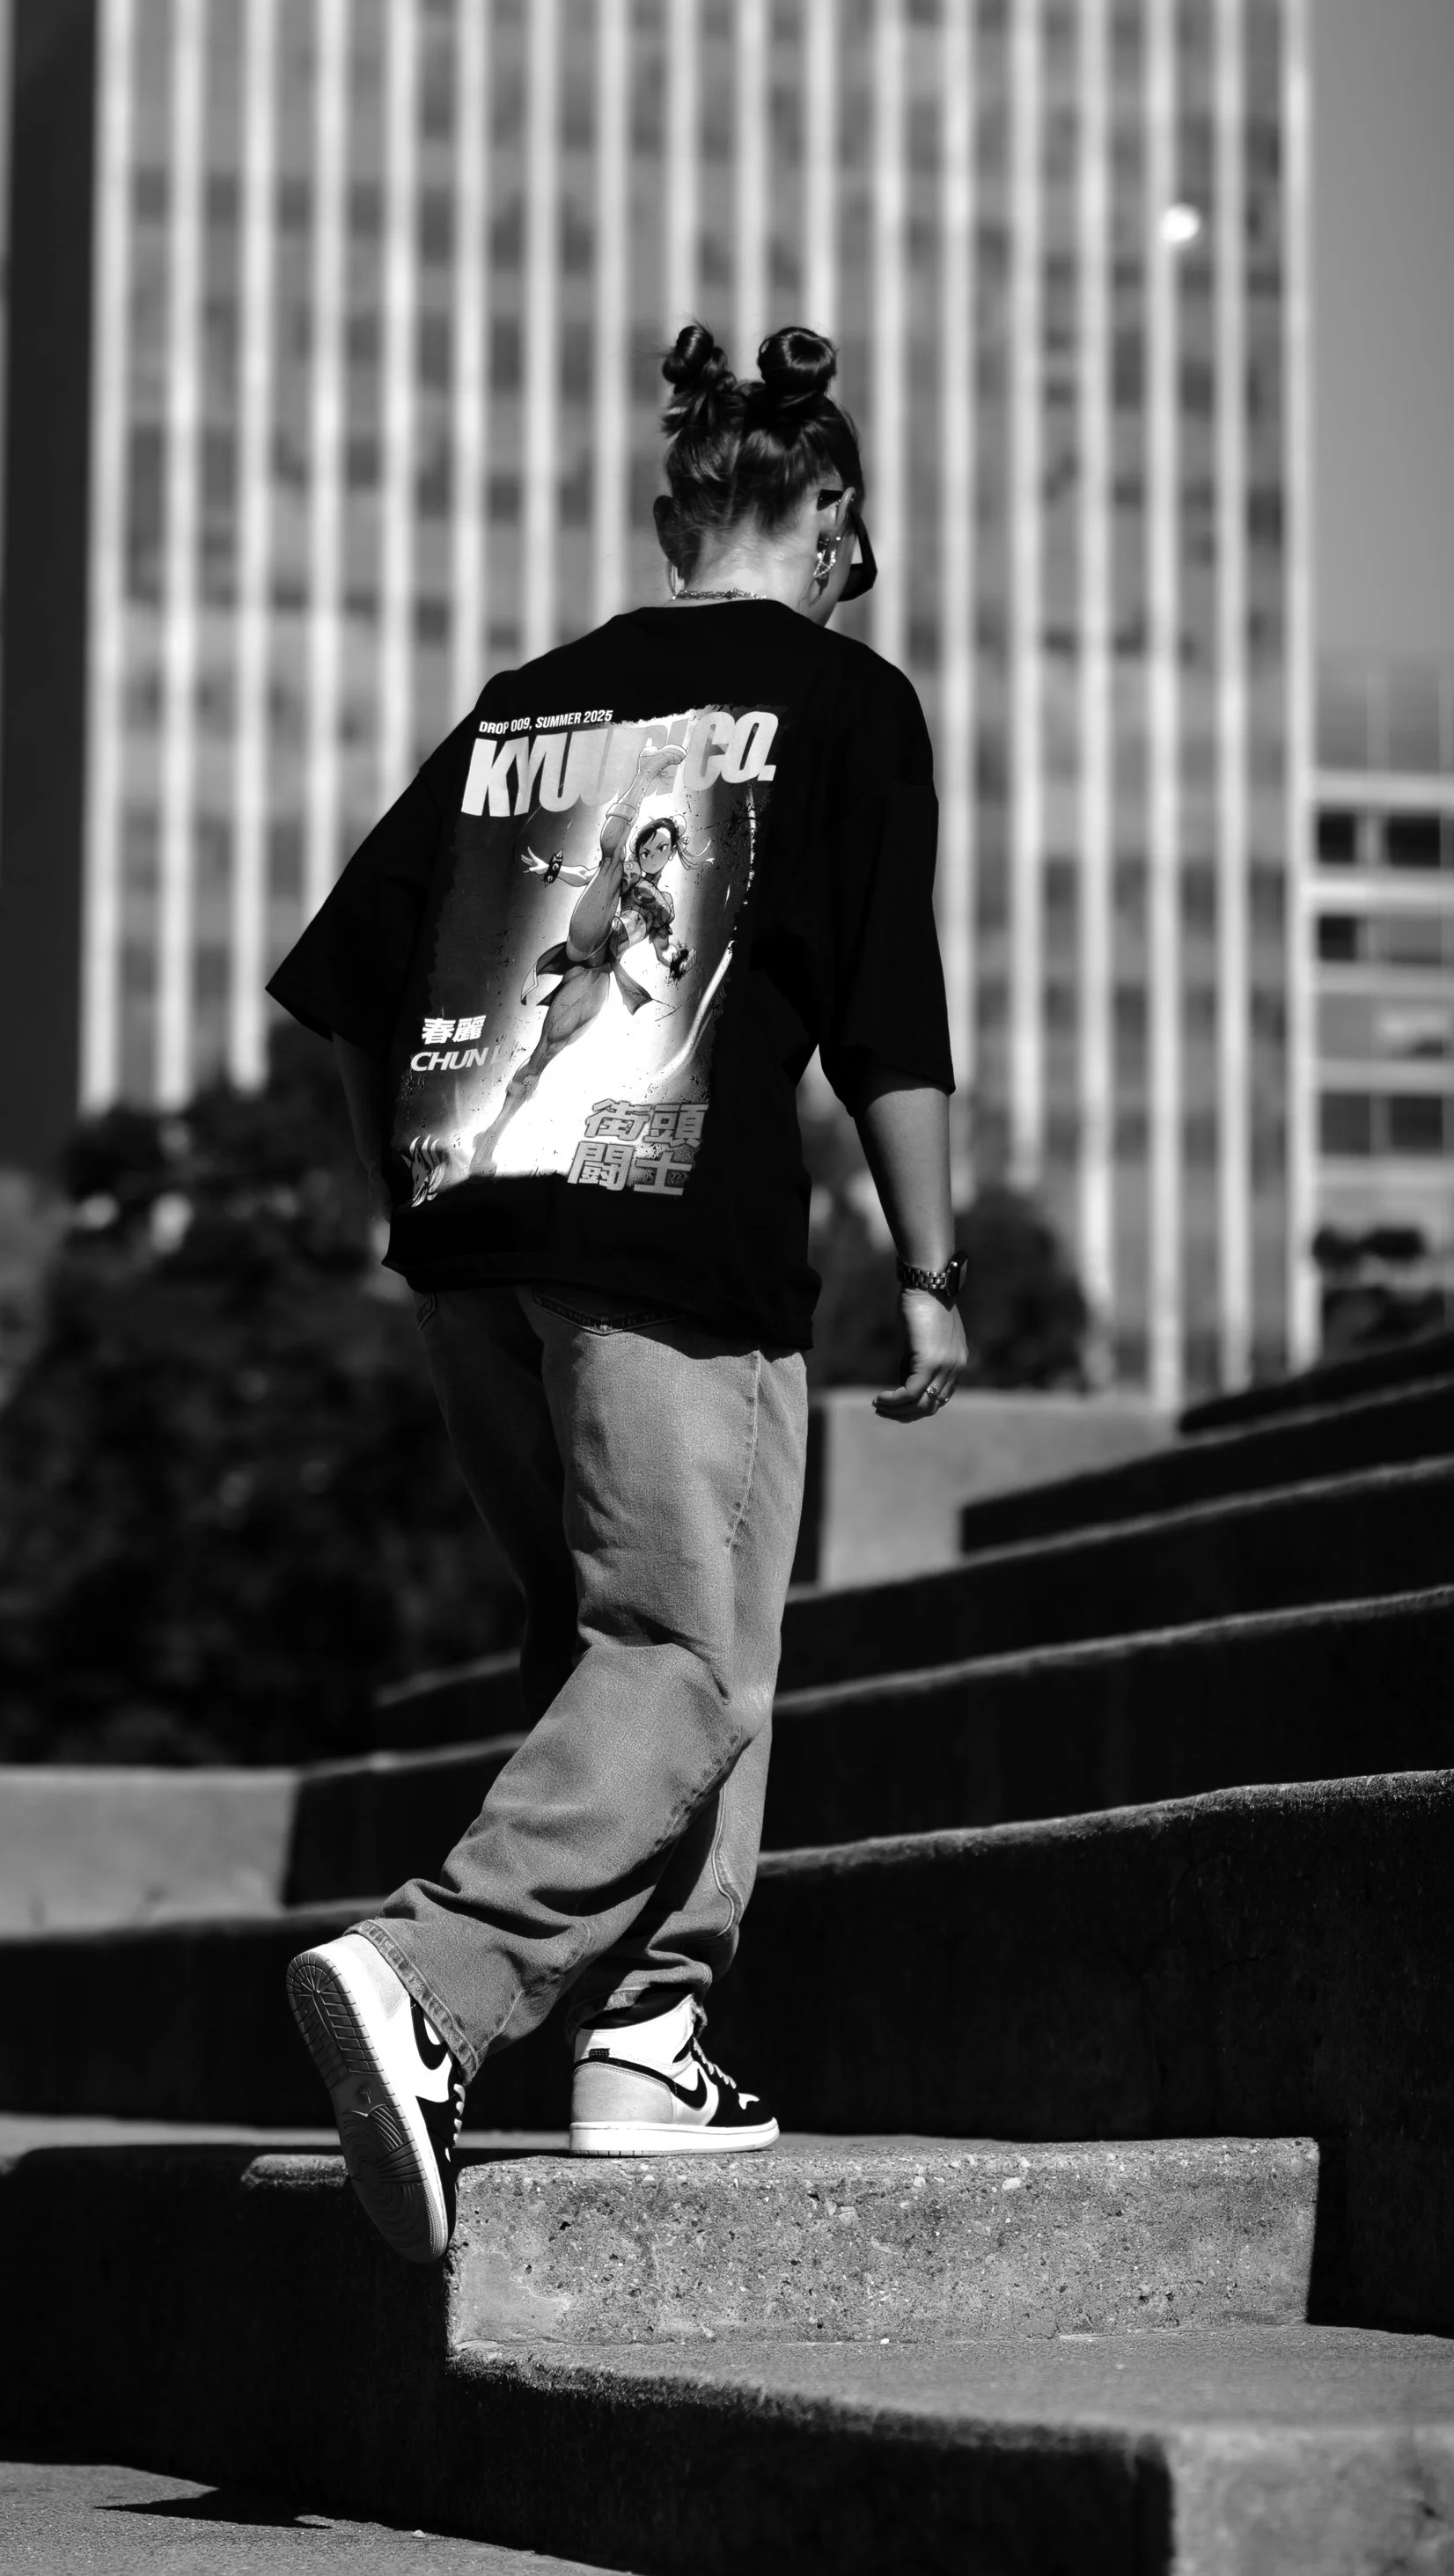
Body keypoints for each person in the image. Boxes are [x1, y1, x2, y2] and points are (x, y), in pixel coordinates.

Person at [267, 320, 966, 2267]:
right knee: (682, 1651)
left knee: (596, 1636)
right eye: (856, 539)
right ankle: (438, 1979)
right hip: (675, 1247)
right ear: (823, 512)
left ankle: (649, 2039)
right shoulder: (841, 702)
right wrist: (930, 1268)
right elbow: (883, 1015)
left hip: (476, 1231)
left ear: (674, 511)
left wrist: (412, 1199)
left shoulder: (525, 705)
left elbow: (347, 979)